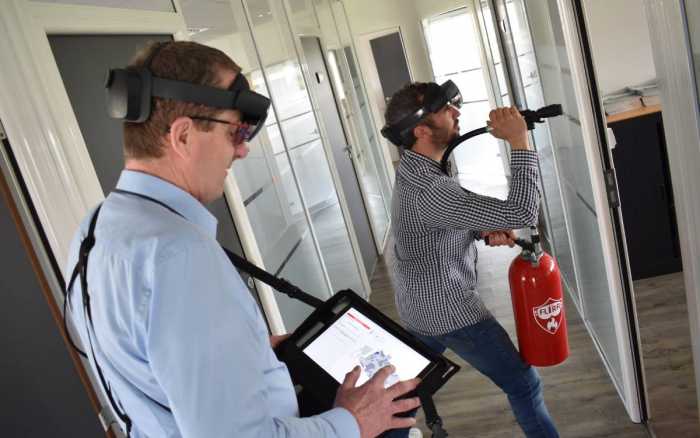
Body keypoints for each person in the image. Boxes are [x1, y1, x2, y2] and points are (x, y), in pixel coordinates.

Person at [64, 41, 420, 438]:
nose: (244, 149)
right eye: (236, 131)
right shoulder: (179, 256)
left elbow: (145, 363)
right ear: (182, 137)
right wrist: (352, 423)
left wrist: (244, 350)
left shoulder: (95, 229)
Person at [383, 82, 560, 438]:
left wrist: (479, 229)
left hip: (419, 306)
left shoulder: (419, 169)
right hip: (451, 312)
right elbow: (523, 211)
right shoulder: (430, 189)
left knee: (403, 399)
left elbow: (443, 218)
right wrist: (519, 142)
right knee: (524, 386)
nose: (457, 113)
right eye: (445, 110)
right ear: (421, 130)